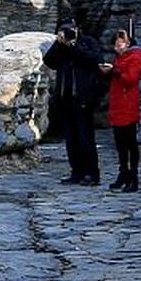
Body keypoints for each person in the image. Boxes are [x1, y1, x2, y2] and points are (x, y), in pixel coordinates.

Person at [42, 22, 104, 185]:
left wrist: (74, 46)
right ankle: (76, 172)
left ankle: (92, 173)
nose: (68, 33)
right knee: (71, 139)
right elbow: (49, 62)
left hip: (83, 98)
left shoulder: (88, 42)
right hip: (65, 99)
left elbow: (94, 60)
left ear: (78, 30)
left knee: (86, 138)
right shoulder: (61, 47)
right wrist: (59, 44)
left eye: (71, 30)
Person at [101, 29, 141, 193]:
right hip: (119, 105)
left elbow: (131, 79)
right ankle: (123, 173)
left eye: (120, 45)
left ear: (128, 44)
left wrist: (113, 71)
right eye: (116, 45)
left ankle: (133, 177)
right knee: (120, 144)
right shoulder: (121, 58)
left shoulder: (134, 57)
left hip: (128, 105)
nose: (117, 48)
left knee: (130, 143)